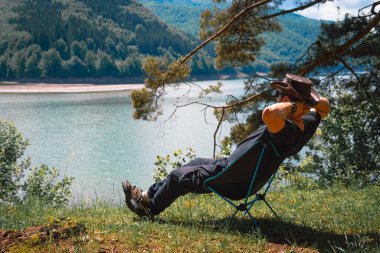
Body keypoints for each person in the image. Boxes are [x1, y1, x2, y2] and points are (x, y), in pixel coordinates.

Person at [122, 73, 331, 217]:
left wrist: (295, 105)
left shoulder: (285, 131)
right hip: (242, 175)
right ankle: (147, 197)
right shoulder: (307, 124)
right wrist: (307, 104)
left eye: (280, 97)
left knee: (178, 176)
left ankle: (150, 209)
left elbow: (269, 113)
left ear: (285, 100)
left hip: (230, 179)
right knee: (194, 162)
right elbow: (325, 106)